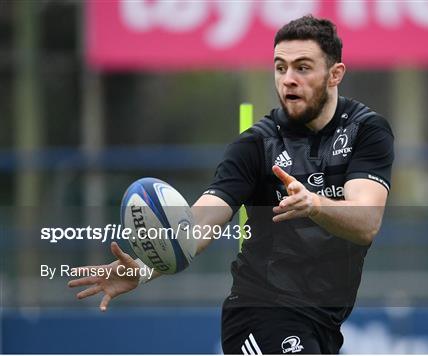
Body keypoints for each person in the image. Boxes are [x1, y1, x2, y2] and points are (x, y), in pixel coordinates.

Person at [68, 15, 394, 354]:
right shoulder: (255, 145)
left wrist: (314, 205)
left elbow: (366, 222)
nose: (288, 80)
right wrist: (147, 265)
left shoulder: (366, 131)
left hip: (324, 323)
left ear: (335, 74)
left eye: (302, 68)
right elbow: (203, 221)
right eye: (280, 68)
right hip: (261, 313)